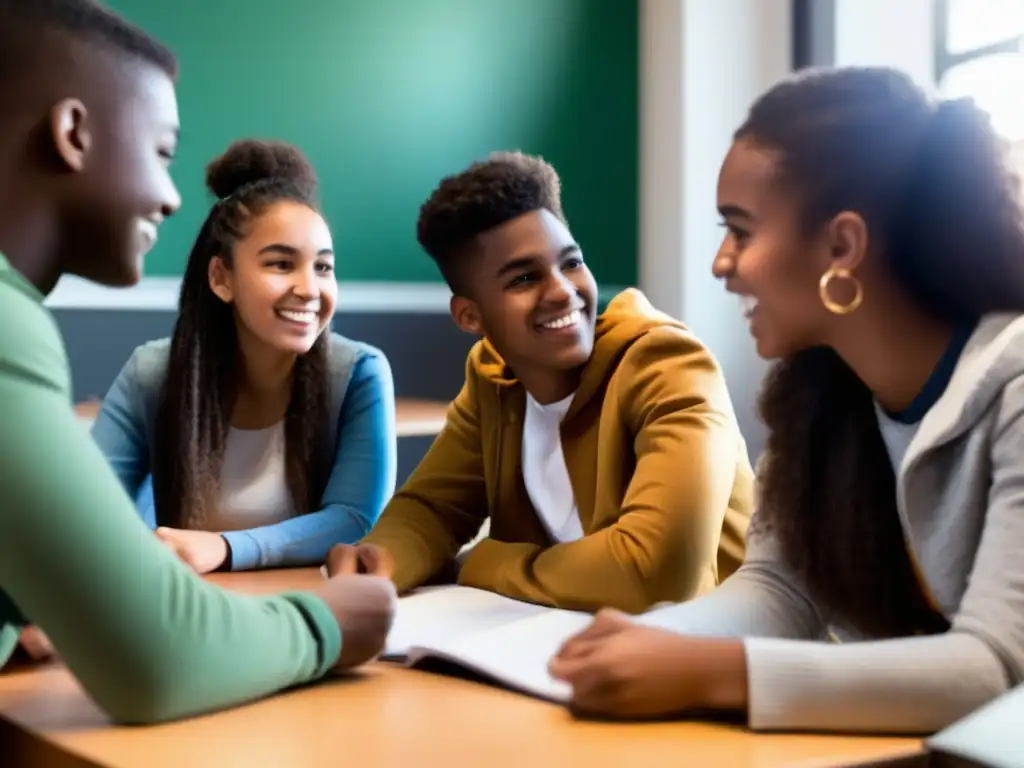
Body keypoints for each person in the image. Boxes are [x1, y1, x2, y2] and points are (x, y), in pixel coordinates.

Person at [548, 66, 1024, 734]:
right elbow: (780, 591)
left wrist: (706, 672)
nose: (721, 262)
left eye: (740, 230)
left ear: (842, 245)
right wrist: (649, 639)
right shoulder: (821, 391)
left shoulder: (1016, 388)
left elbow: (997, 671)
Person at [0, 0, 394, 724]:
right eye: (159, 151)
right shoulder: (14, 334)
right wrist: (327, 625)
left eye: (324, 267)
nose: (174, 196)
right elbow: (158, 660)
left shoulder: (356, 370)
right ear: (73, 133)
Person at [328, 151, 754, 614]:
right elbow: (433, 509)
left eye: (571, 263)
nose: (562, 291)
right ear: (470, 315)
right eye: (525, 278)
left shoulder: (668, 366)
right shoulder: (494, 377)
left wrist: (483, 562)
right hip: (565, 652)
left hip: (720, 665)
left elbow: (658, 573)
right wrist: (380, 561)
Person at [90, 138, 397, 574]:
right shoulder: (152, 374)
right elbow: (90, 510)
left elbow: (355, 519)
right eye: (280, 264)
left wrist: (224, 548)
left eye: (323, 267)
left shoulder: (359, 374)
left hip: (309, 608)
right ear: (221, 278)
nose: (309, 289)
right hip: (189, 609)